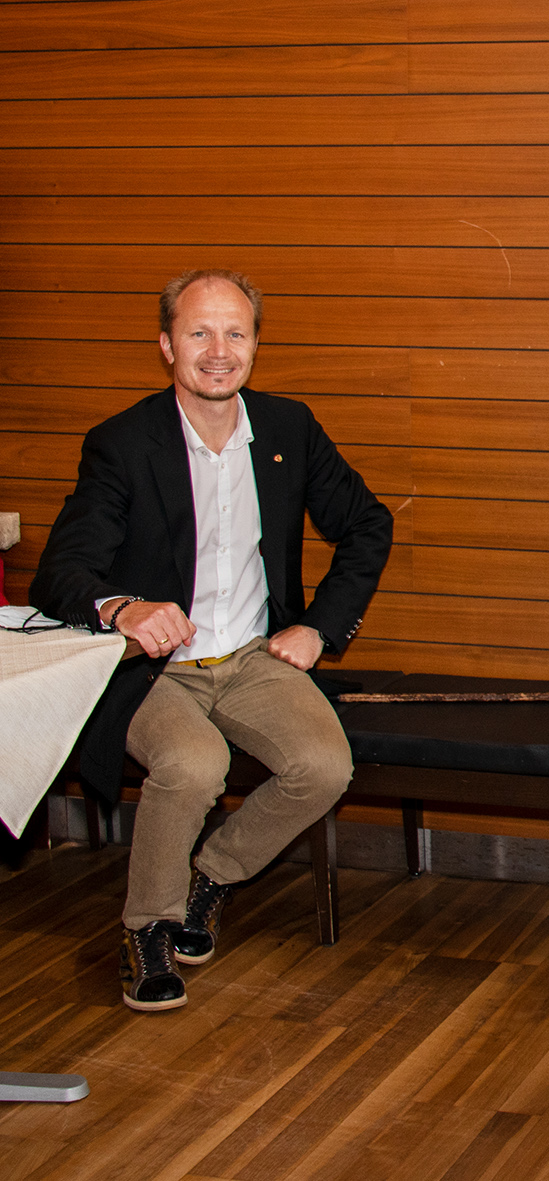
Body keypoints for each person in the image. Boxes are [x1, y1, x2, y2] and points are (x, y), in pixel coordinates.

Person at [32, 269, 393, 1012]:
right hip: (154, 669)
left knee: (323, 766)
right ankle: (147, 928)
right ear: (168, 346)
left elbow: (368, 523)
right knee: (195, 764)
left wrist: (319, 627)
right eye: (199, 332)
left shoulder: (289, 429)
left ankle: (212, 877)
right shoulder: (123, 444)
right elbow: (60, 572)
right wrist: (124, 607)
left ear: (256, 344)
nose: (218, 350)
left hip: (253, 657)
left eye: (235, 332)